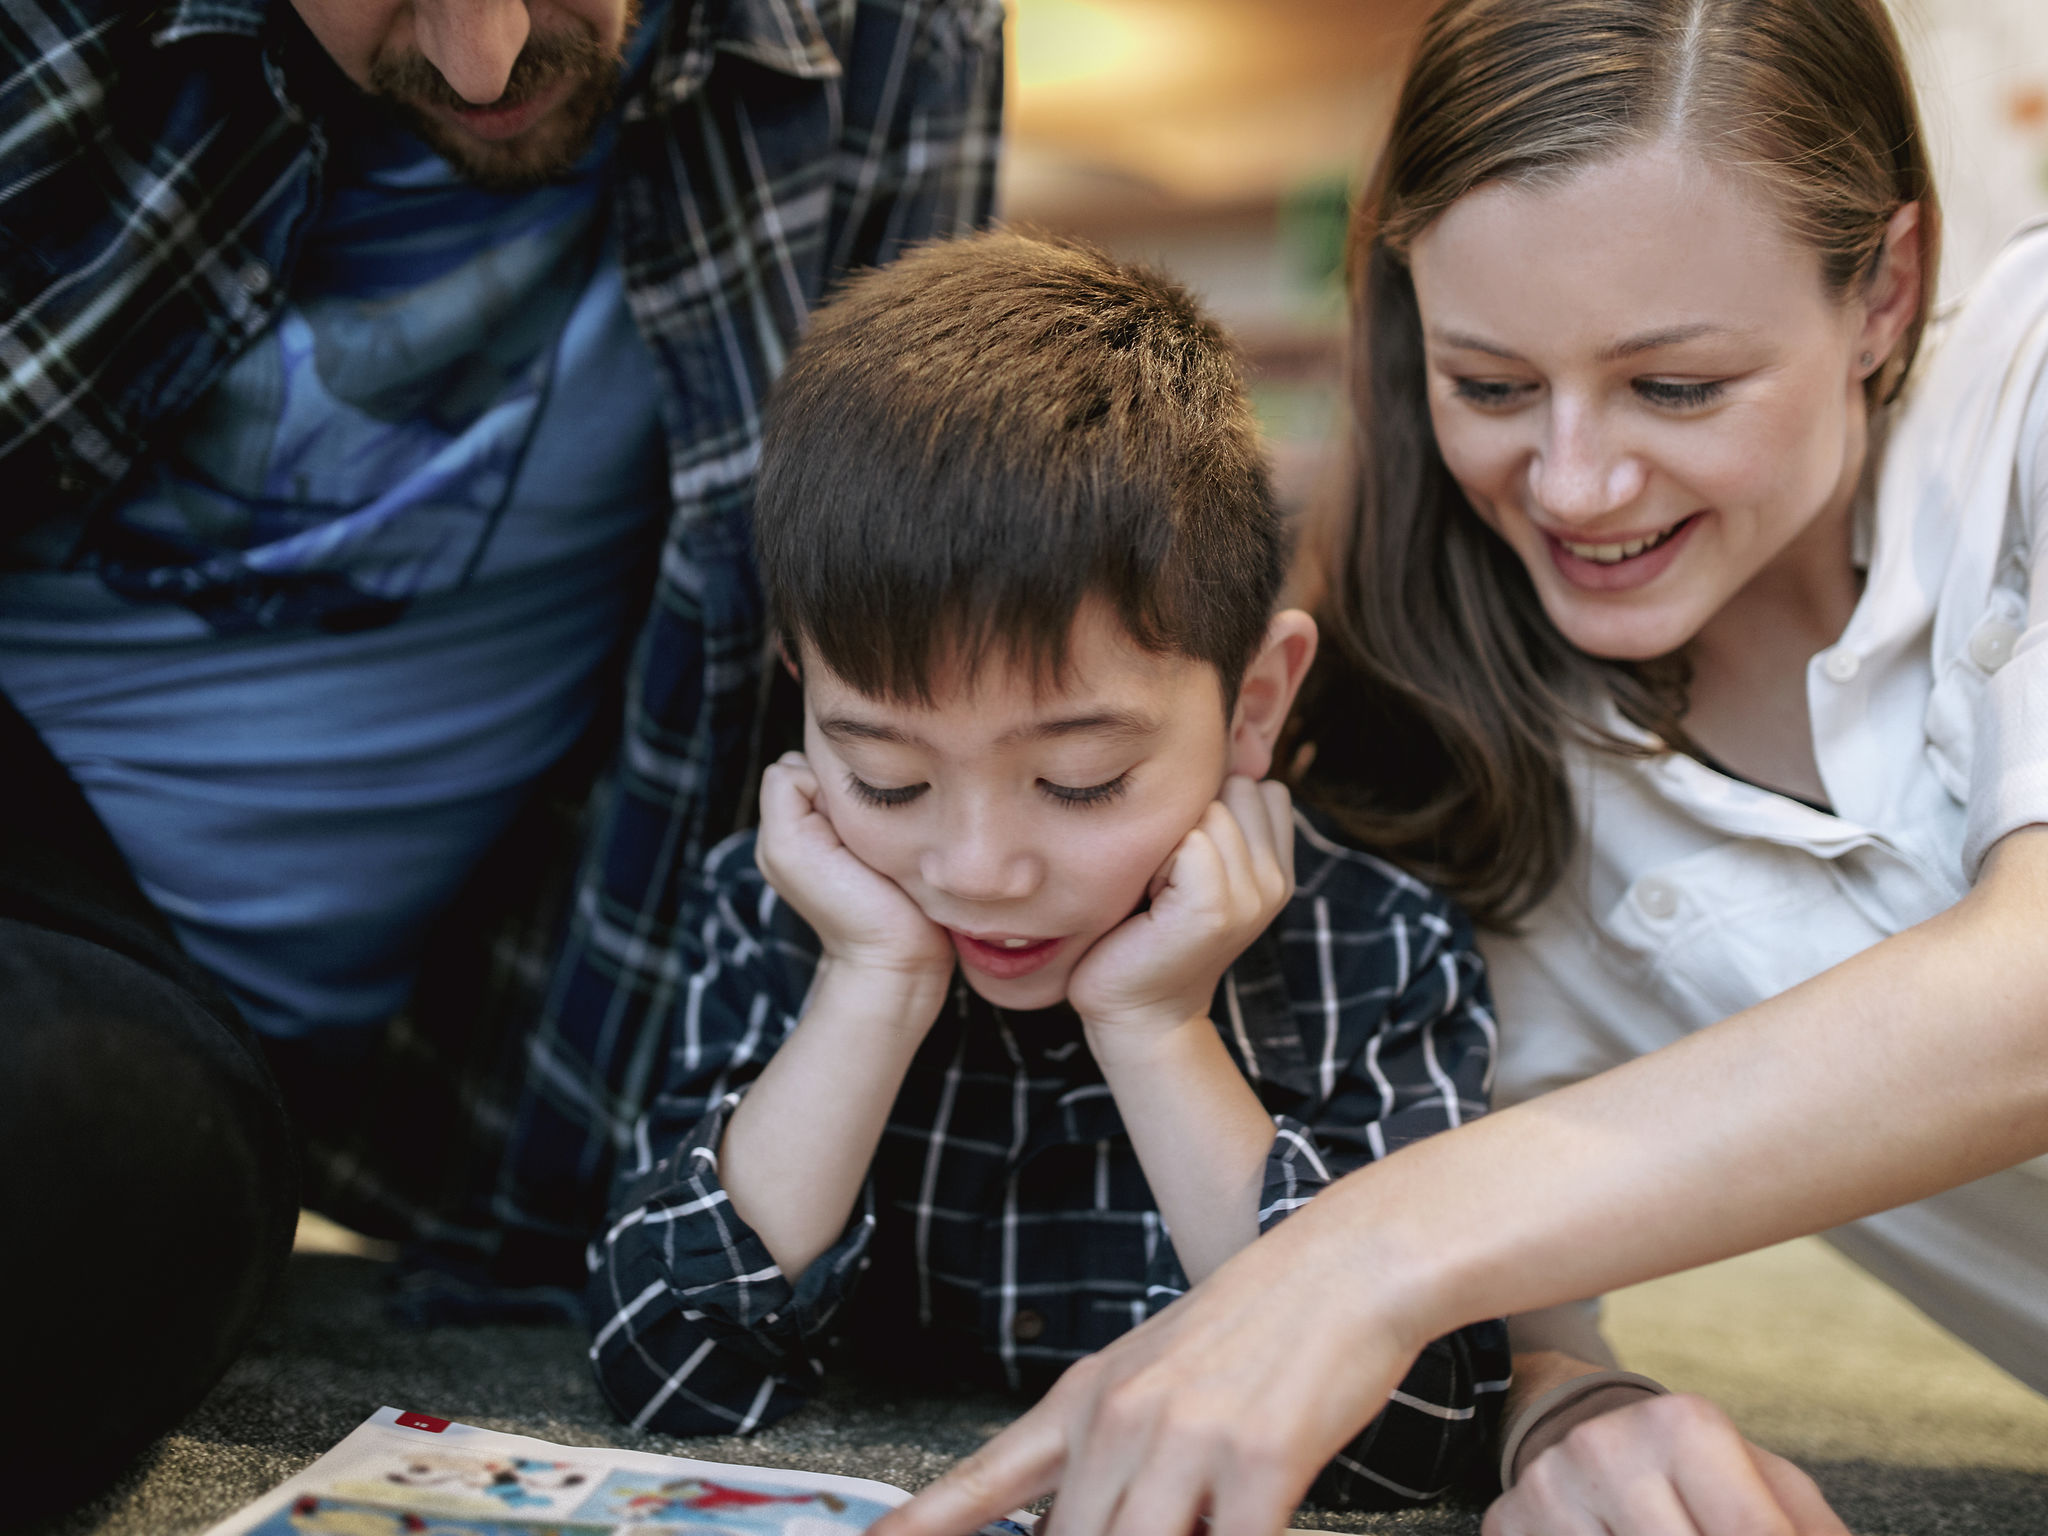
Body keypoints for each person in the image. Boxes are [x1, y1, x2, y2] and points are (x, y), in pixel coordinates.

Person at [864, 3, 2048, 1536]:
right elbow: (1503, 1220)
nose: (1573, 484)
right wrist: (1569, 1401)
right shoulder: (1430, 752)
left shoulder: (2025, 386)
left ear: (1884, 291)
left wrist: (1360, 1253)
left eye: (1677, 388)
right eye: (1489, 385)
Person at [0, 0, 997, 1511]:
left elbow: (890, 625)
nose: (481, 62)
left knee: (104, 1164)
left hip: (285, 1073)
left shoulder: (897, 37)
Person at [583, 232, 1511, 1508]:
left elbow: (1409, 1438)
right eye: (889, 779)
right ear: (802, 699)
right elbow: (664, 1367)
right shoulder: (788, 906)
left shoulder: (1378, 950)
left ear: (1253, 706)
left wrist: (1155, 1025)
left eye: (1080, 784)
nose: (976, 871)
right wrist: (869, 980)